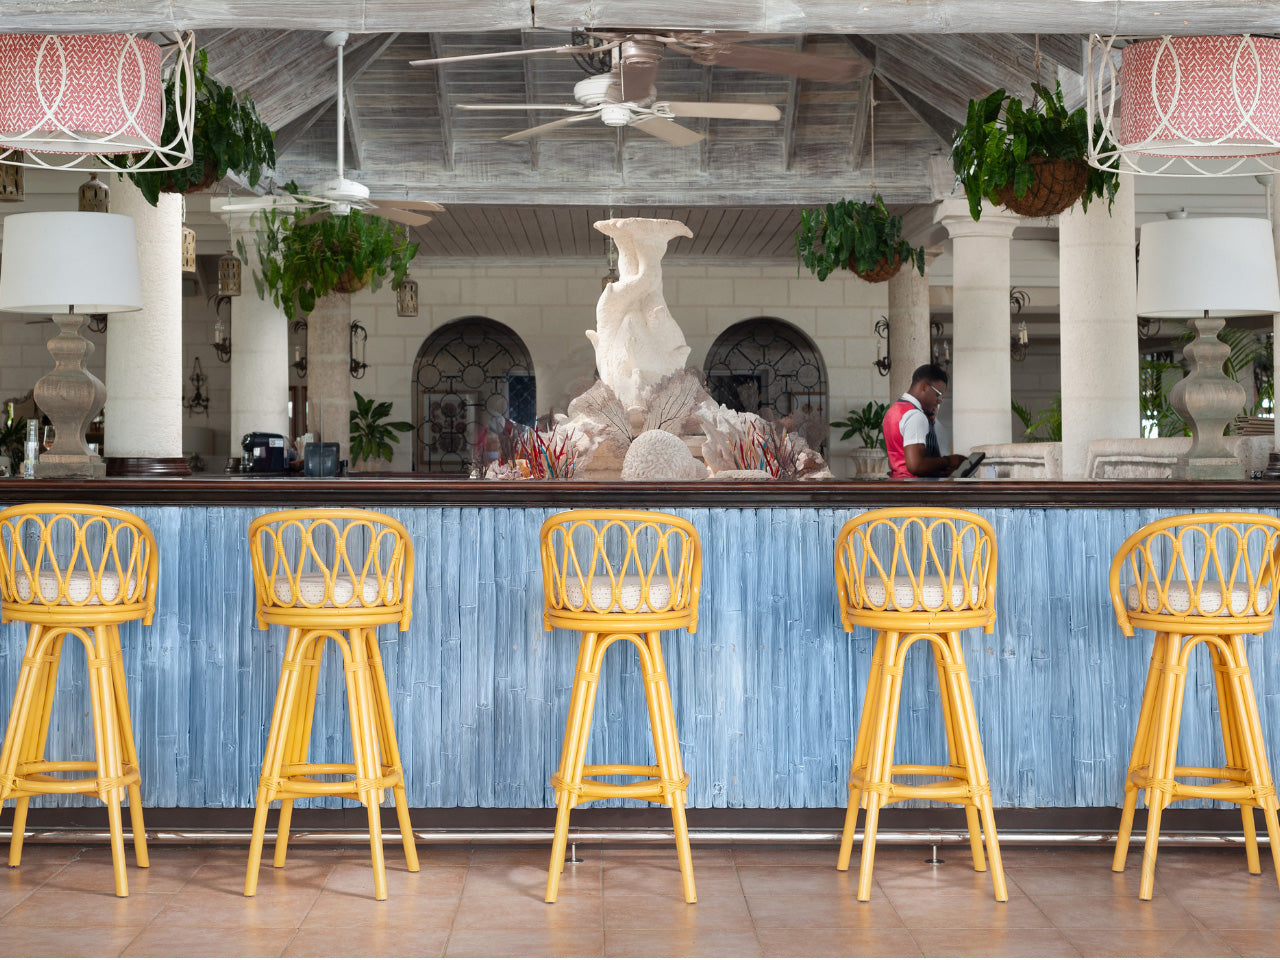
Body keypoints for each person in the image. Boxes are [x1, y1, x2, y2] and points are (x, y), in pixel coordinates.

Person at [883, 363, 966, 479]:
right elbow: (915, 466)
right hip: (914, 490)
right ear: (924, 387)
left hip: (898, 483)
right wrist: (948, 460)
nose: (939, 401)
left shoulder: (894, 410)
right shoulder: (915, 416)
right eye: (938, 395)